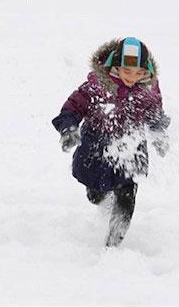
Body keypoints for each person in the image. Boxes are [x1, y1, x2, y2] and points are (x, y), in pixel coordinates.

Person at [52, 37, 170, 247]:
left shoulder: (149, 88)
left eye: (139, 73)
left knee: (127, 192)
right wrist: (69, 128)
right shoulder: (97, 86)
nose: (133, 78)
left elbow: (154, 114)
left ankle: (114, 242)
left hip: (130, 147)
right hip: (96, 147)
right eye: (127, 71)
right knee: (96, 195)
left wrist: (159, 132)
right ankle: (101, 197)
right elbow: (72, 108)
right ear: (115, 66)